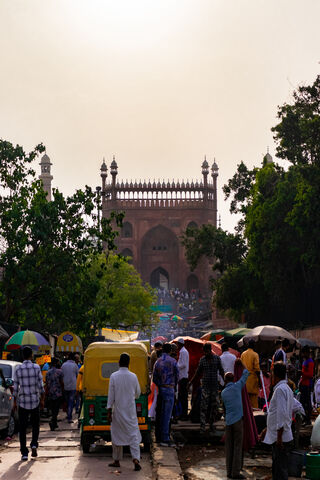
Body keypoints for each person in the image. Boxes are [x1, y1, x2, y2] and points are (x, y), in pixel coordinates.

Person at [107, 353, 142, 471]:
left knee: (116, 435)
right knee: (133, 436)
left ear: (119, 362)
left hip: (117, 411)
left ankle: (116, 460)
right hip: (130, 411)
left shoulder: (113, 376)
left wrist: (108, 411)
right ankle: (135, 459)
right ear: (129, 363)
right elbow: (138, 393)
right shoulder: (134, 376)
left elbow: (111, 396)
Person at [261, 362, 294, 480]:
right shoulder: (287, 389)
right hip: (281, 435)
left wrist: (279, 437)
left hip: (280, 437)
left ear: (275, 374)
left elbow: (281, 414)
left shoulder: (280, 390)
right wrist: (267, 429)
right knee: (279, 468)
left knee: (280, 471)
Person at [13, 346, 44, 461]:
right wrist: (42, 399)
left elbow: (16, 388)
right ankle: (34, 444)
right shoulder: (36, 367)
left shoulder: (18, 369)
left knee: (22, 427)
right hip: (34, 401)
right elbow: (41, 386)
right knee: (35, 425)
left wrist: (15, 402)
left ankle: (24, 453)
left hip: (22, 402)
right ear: (31, 355)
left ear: (22, 356)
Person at [189, 342, 224, 433]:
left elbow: (221, 371)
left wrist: (225, 382)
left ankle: (211, 424)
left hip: (215, 387)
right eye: (204, 352)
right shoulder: (202, 360)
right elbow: (197, 373)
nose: (205, 353)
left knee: (215, 406)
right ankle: (203, 426)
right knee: (203, 407)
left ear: (209, 350)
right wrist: (190, 383)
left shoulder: (217, 359)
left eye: (206, 351)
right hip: (205, 387)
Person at [221, 365, 249, 479]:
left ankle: (229, 471)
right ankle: (235, 472)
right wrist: (241, 364)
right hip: (238, 421)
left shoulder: (223, 393)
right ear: (233, 379)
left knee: (229, 447)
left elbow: (224, 408)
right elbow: (246, 373)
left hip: (228, 421)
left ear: (225, 380)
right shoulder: (238, 386)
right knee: (237, 446)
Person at [153, 342, 179, 447]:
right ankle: (165, 438)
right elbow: (177, 376)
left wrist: (160, 385)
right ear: (170, 350)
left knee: (159, 413)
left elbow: (154, 378)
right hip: (170, 389)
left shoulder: (158, 362)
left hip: (161, 389)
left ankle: (158, 437)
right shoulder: (173, 361)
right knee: (167, 415)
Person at [45, 357, 64, 431]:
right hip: (58, 393)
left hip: (50, 393)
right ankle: (53, 421)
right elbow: (61, 383)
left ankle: (54, 422)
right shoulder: (60, 372)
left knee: (52, 409)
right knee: (56, 409)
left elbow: (46, 383)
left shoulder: (48, 372)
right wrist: (63, 391)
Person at [240, 340, 260, 408]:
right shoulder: (255, 354)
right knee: (254, 402)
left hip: (244, 380)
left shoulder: (243, 354)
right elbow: (257, 369)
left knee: (245, 402)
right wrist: (259, 380)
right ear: (254, 346)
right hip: (253, 381)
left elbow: (241, 367)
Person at [61, 352, 78, 423]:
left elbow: (61, 375)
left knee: (67, 401)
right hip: (73, 386)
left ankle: (68, 414)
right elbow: (77, 375)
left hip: (65, 386)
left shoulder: (63, 365)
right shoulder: (75, 365)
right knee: (71, 402)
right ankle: (69, 417)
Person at [299, 345, 314, 425]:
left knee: (307, 402)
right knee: (302, 402)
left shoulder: (310, 362)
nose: (302, 355)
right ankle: (305, 418)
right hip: (303, 383)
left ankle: (308, 419)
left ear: (307, 353)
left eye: (304, 353)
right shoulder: (305, 361)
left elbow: (310, 374)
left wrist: (302, 373)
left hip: (307, 384)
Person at [177, 338, 189, 420]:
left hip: (183, 377)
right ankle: (183, 414)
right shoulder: (183, 351)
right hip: (183, 376)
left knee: (183, 397)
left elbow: (183, 364)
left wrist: (176, 366)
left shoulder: (183, 352)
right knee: (182, 397)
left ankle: (184, 415)